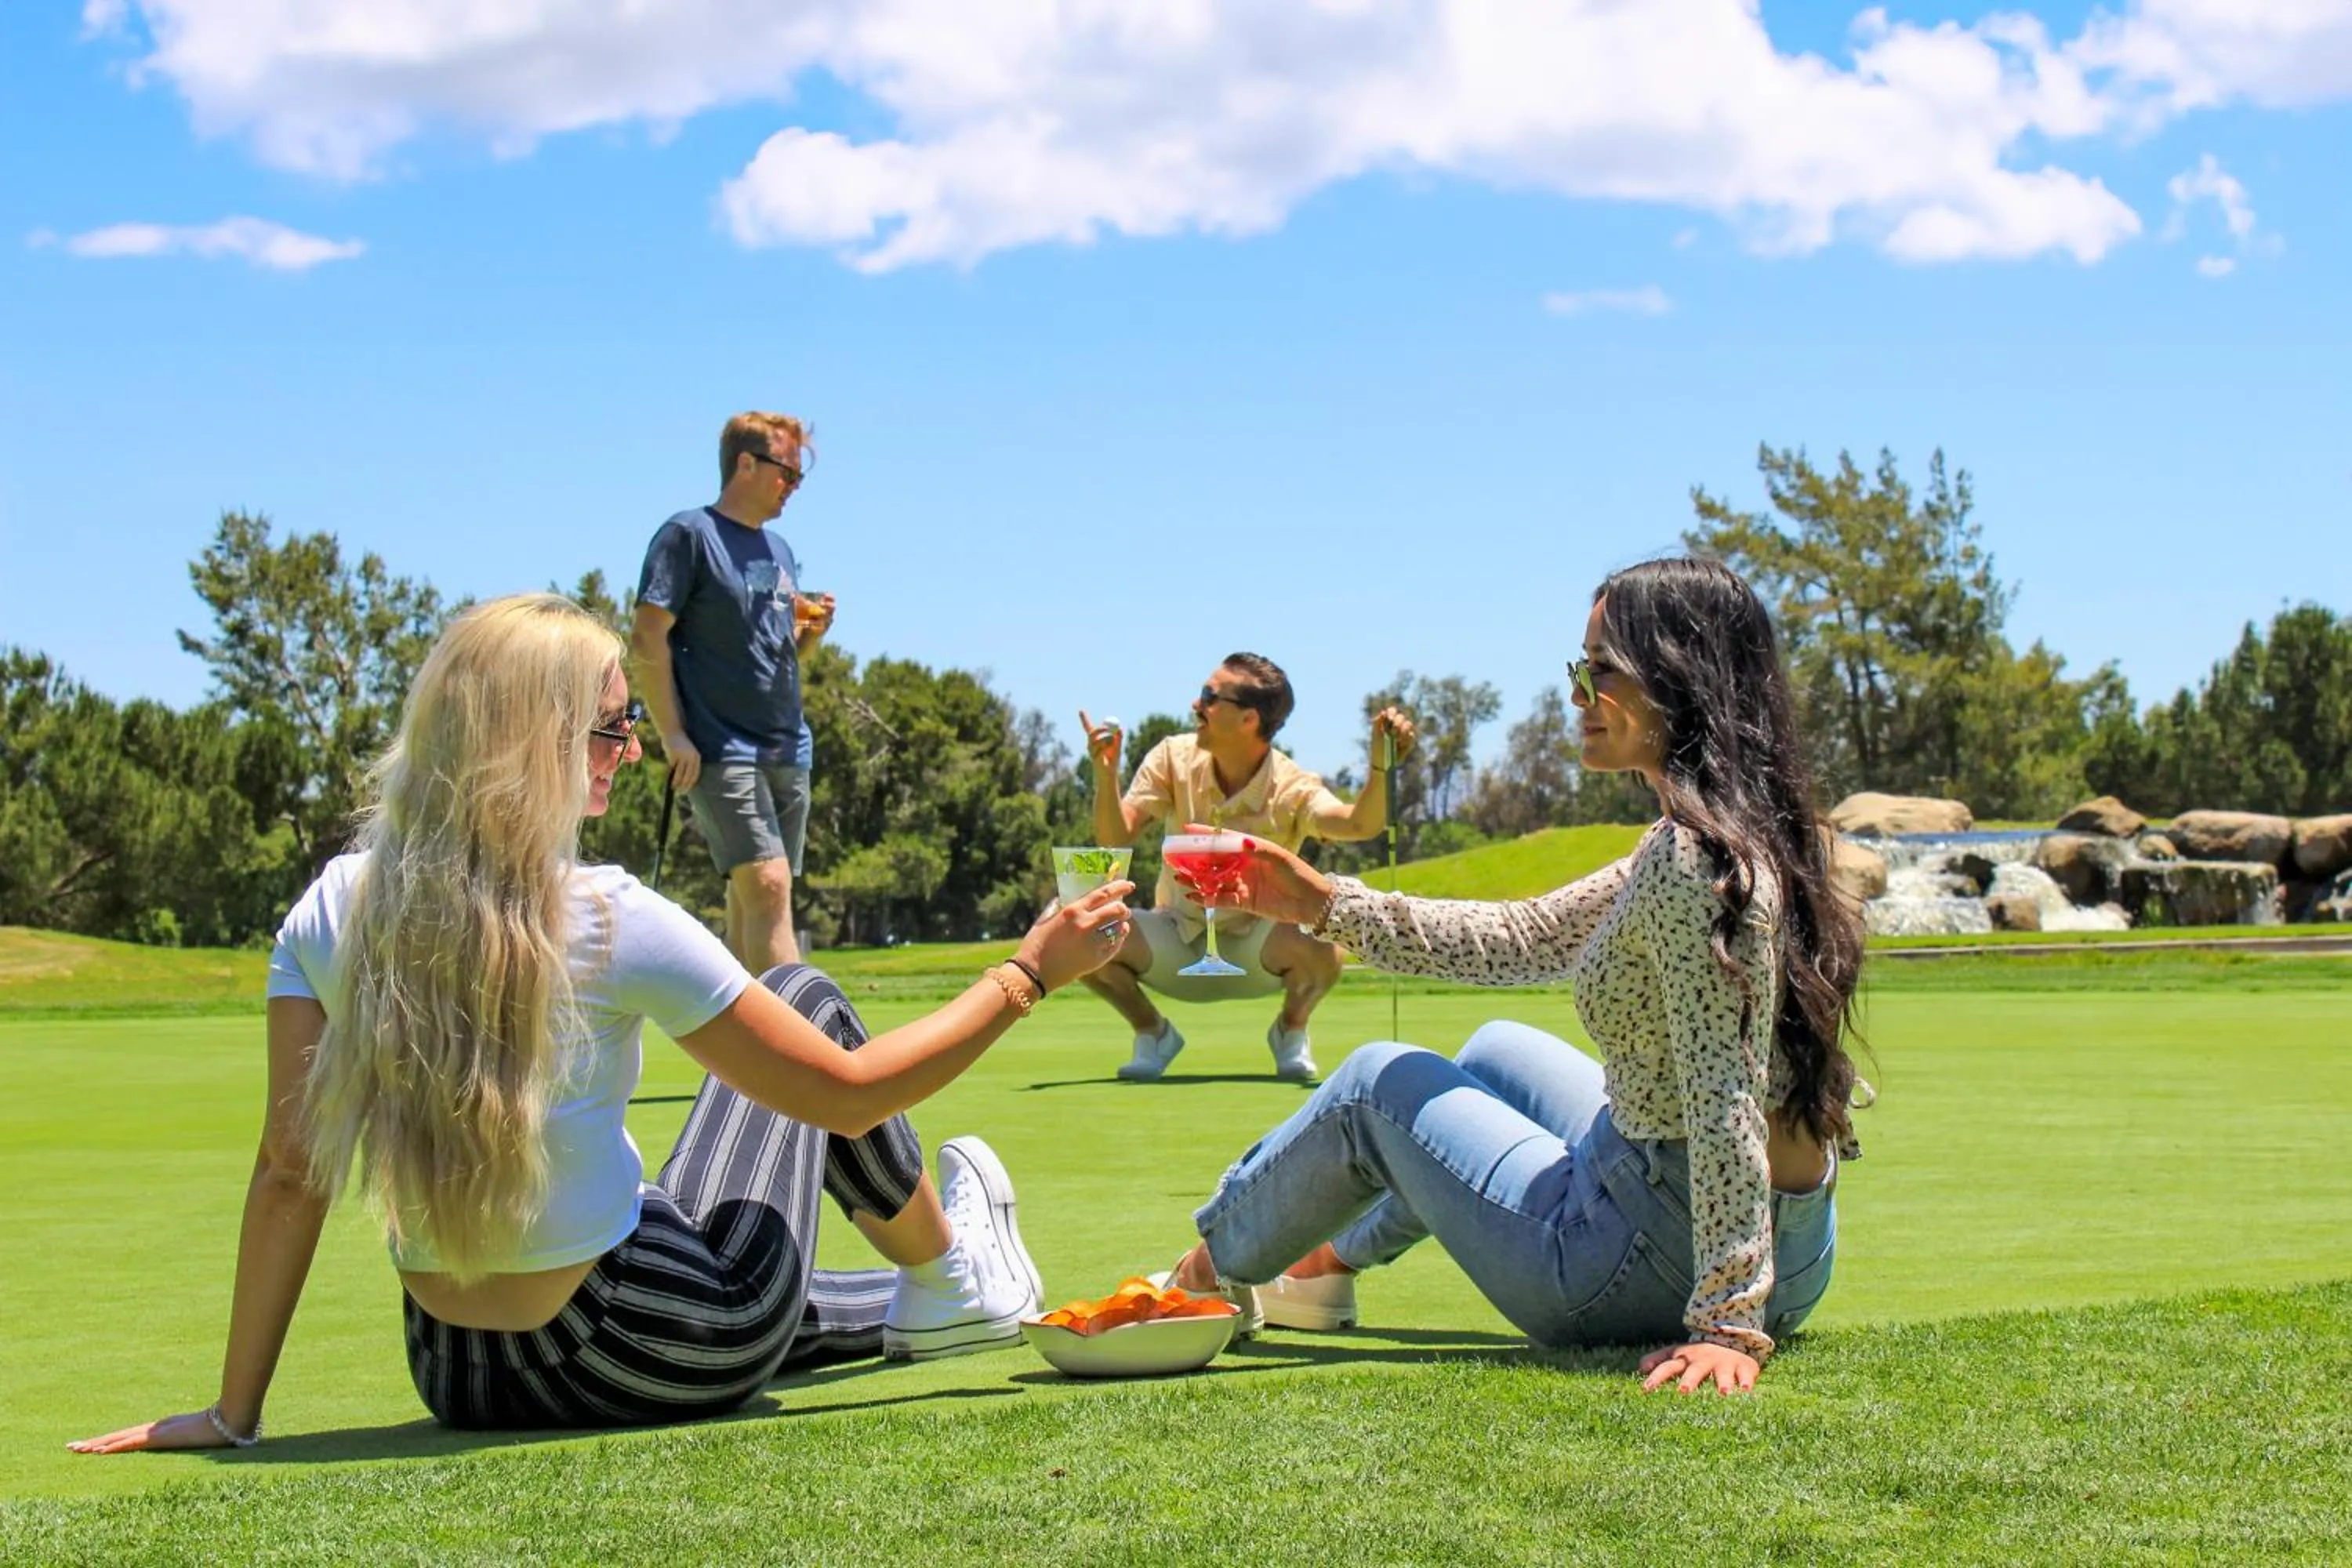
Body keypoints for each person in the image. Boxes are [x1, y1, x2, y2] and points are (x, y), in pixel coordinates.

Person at [71, 594, 1132, 1452]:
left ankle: (938, 1295)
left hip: (456, 1373)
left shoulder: (330, 905)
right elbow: (842, 1095)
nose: (629, 750)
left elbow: (289, 1174)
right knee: (805, 1000)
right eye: (611, 726)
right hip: (646, 1346)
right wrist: (1030, 971)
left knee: (673, 1213)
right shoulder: (609, 913)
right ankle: (944, 1276)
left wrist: (232, 1415)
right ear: (535, 742)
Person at [1160, 558, 1866, 1393]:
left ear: (1681, 675)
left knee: (1373, 1084)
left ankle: (1196, 1278)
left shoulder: (1691, 861)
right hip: (1796, 1248)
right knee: (1494, 1049)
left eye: (1601, 667)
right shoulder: (1747, 830)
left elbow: (1725, 1094)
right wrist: (1324, 903)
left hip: (1650, 1267)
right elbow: (1519, 936)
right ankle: (1322, 1264)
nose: (1576, 693)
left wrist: (1727, 1322)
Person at [1076, 653, 1414, 1083]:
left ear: (1249, 719)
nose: (1197, 706)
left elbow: (1359, 824)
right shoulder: (1172, 756)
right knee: (1071, 924)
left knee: (1333, 926)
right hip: (1176, 942)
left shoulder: (1291, 784)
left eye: (1209, 697)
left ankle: (1291, 1030)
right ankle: (1152, 1032)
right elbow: (1114, 837)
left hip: (1260, 950)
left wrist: (1381, 768)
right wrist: (1106, 775)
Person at [632, 411, 833, 972]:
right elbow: (649, 634)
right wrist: (673, 735)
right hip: (720, 749)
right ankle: (799, 1049)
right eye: (787, 473)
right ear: (745, 463)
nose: (793, 487)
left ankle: (735, 1061)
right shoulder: (689, 535)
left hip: (787, 748)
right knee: (768, 888)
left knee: (753, 899)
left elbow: (785, 654)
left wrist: (810, 635)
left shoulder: (781, 551)